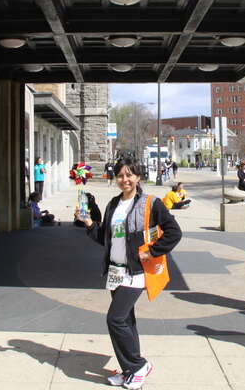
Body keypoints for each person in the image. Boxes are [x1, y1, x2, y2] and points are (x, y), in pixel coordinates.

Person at [80, 159, 182, 389]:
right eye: (120, 176)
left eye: (129, 175)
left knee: (114, 319)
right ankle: (129, 370)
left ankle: (138, 365)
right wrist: (89, 224)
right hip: (115, 270)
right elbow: (104, 238)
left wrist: (152, 251)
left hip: (135, 272)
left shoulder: (150, 203)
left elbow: (174, 232)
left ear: (137, 177)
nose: (124, 180)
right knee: (126, 320)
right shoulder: (113, 204)